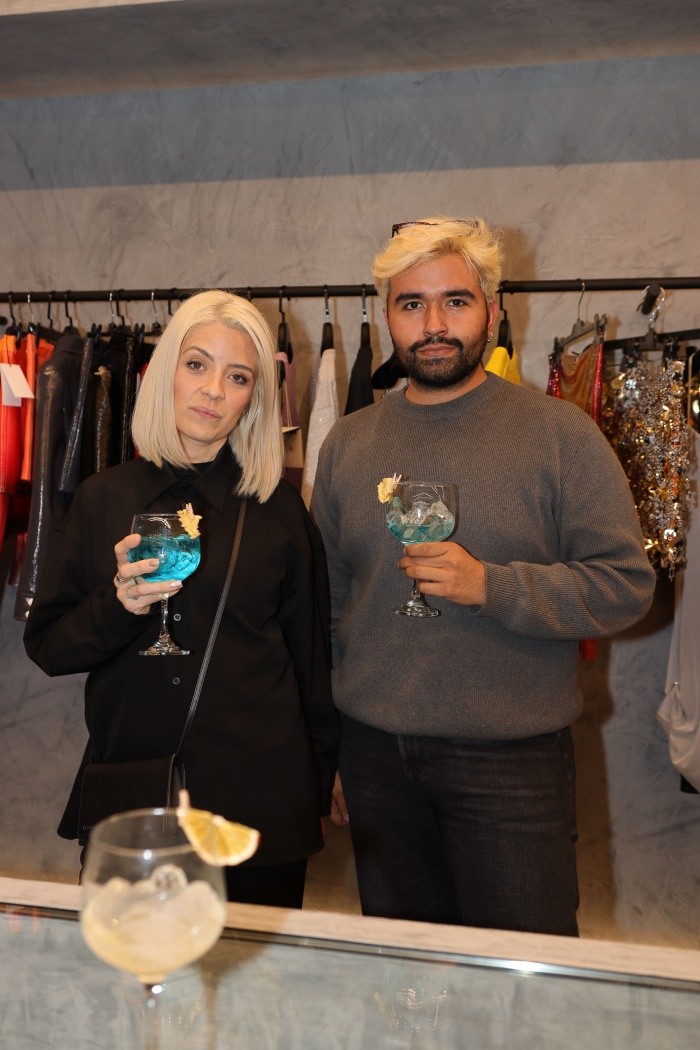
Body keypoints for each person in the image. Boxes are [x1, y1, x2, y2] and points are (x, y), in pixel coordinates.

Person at [312, 217, 656, 935]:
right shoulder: (349, 442)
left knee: (524, 974)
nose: (434, 325)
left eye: (456, 301)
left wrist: (490, 587)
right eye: (412, 304)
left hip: (512, 768)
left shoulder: (560, 434)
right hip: (374, 759)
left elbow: (625, 585)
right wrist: (331, 753)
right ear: (387, 316)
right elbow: (330, 608)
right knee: (409, 977)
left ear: (493, 313)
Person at [24, 289, 339, 909]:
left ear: (254, 399)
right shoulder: (101, 499)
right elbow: (50, 647)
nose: (213, 391)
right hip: (134, 794)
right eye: (197, 365)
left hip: (259, 802)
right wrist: (119, 605)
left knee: (255, 970)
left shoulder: (277, 510)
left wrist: (329, 773)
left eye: (237, 377)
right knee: (135, 964)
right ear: (166, 370)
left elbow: (312, 659)